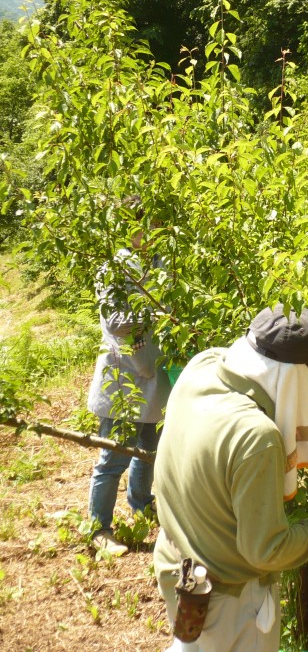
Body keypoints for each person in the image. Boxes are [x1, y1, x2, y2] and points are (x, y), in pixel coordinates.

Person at [153, 304, 308, 651]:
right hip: (231, 603)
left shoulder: (204, 367)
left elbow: (284, 359)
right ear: (292, 376)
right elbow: (267, 551)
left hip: (178, 567)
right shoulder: (255, 438)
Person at [87, 197, 170, 557]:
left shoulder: (162, 265)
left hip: (151, 372)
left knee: (148, 450)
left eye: (154, 226)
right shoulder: (115, 268)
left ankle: (141, 506)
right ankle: (99, 527)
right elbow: (116, 323)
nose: (150, 234)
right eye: (144, 226)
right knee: (112, 457)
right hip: (122, 378)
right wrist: (156, 311)